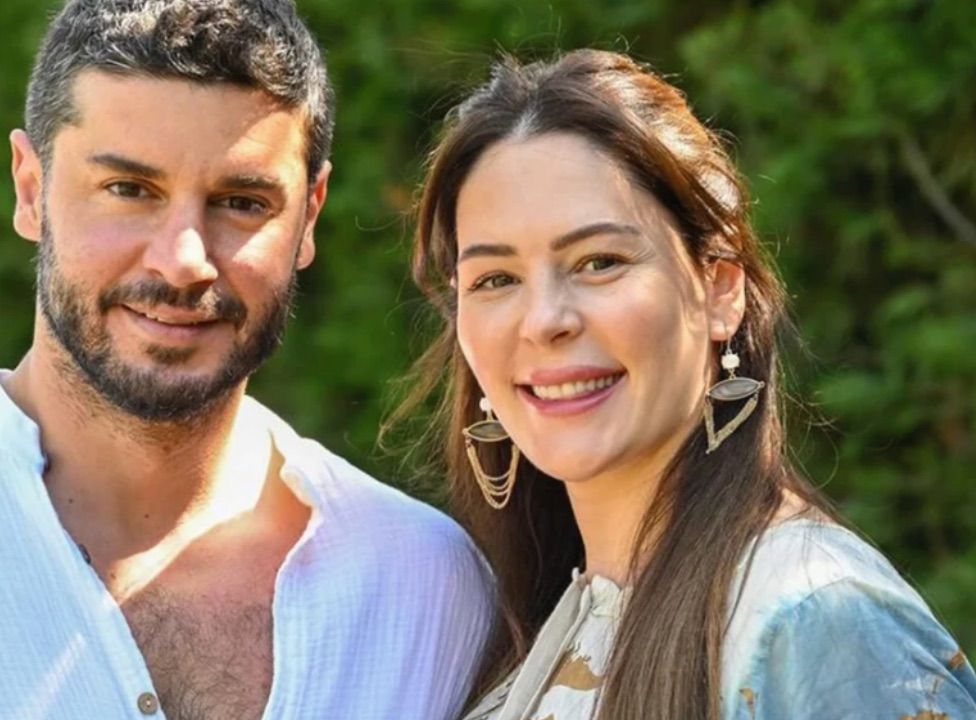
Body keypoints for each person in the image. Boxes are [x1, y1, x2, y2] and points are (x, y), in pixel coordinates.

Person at [0, 1, 496, 718]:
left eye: (241, 202)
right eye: (129, 190)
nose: (183, 260)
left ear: (310, 215)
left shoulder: (427, 586)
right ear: (29, 187)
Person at [395, 49, 976, 719]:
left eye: (599, 262)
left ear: (720, 290)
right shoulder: (524, 627)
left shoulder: (813, 620)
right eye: (496, 279)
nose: (545, 320)